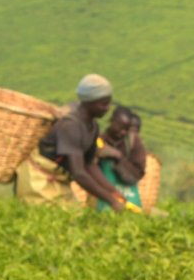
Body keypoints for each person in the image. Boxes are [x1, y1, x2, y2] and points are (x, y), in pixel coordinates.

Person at [17, 74, 130, 211]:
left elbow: (89, 164)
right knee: (56, 221)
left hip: (59, 180)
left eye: (108, 103)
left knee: (76, 219)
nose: (107, 108)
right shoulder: (71, 126)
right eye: (104, 104)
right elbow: (78, 173)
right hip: (38, 180)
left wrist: (112, 191)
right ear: (89, 102)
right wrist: (111, 201)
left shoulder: (93, 126)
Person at [90, 106, 149, 210]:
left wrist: (118, 157)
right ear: (111, 121)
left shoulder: (133, 142)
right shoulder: (99, 140)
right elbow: (88, 169)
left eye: (126, 129)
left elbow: (138, 173)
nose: (123, 132)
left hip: (127, 195)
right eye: (120, 127)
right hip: (102, 195)